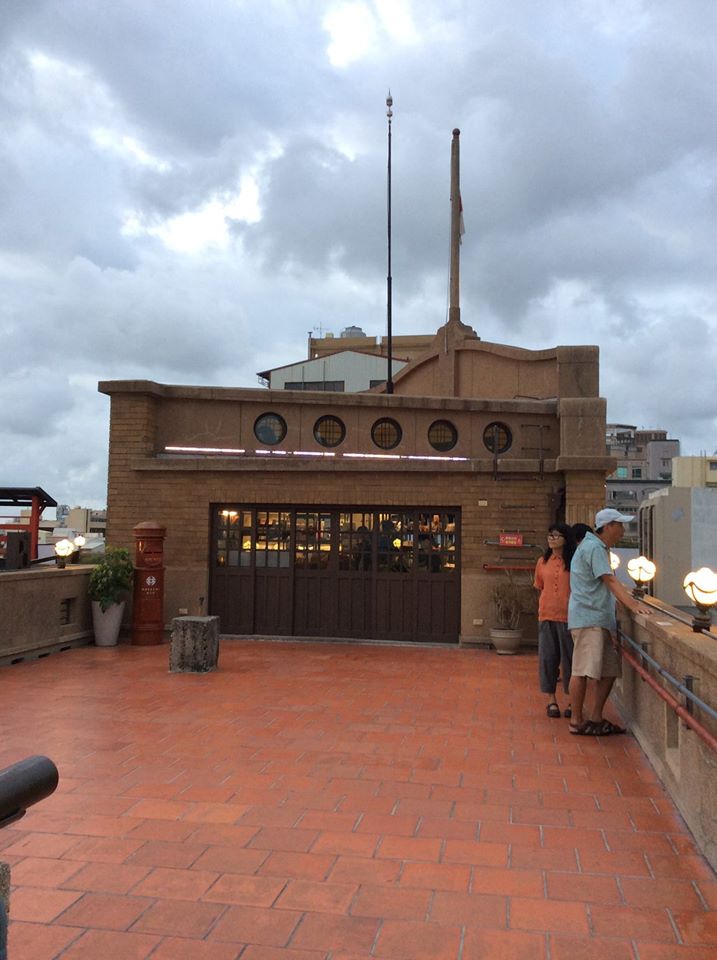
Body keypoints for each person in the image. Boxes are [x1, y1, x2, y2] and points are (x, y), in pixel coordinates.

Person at [568, 508, 651, 735]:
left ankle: (596, 717)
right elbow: (610, 581)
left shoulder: (596, 547)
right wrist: (632, 605)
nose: (623, 530)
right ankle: (576, 721)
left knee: (609, 669)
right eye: (620, 525)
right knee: (582, 669)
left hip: (598, 619)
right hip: (589, 618)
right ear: (608, 526)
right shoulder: (594, 548)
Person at [534, 523, 576, 719]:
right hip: (547, 615)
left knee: (570, 661)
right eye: (550, 535)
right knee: (548, 658)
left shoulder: (573, 562)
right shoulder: (542, 561)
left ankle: (572, 700)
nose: (552, 539)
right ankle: (551, 700)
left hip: (570, 617)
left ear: (565, 539)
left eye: (556, 536)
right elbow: (539, 586)